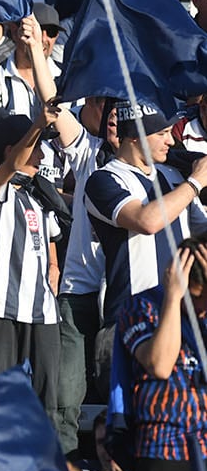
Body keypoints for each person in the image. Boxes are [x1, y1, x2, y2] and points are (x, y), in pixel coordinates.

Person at [0, 112, 63, 429]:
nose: (41, 155)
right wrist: (38, 123)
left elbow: (51, 236)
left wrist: (53, 264)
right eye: (36, 146)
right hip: (0, 309)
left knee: (45, 402)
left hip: (44, 312)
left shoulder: (38, 194)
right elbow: (6, 171)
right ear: (12, 150)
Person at [115, 236, 207, 471]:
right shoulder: (142, 306)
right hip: (166, 452)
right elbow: (160, 364)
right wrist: (172, 299)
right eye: (194, 300)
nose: (199, 310)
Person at [86, 103, 207, 325]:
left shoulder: (173, 175)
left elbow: (202, 231)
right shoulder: (103, 180)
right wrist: (196, 182)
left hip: (180, 316)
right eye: (162, 134)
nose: (171, 141)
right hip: (133, 316)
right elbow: (146, 221)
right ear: (134, 135)